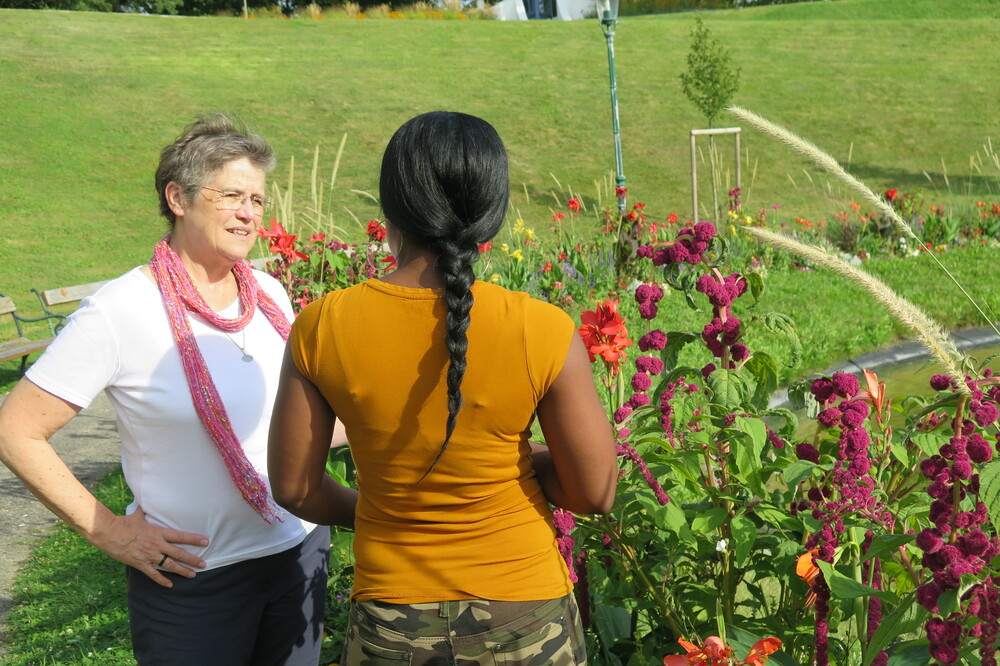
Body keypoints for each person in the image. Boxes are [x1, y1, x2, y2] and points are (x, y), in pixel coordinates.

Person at [267, 111, 617, 664]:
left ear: (390, 208)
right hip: (524, 612)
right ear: (492, 214)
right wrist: (523, 464)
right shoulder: (542, 328)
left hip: (390, 616)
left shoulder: (323, 325)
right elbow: (594, 492)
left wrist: (381, 506)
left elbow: (294, 488)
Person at [0, 113, 329, 665]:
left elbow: (290, 419)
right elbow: (15, 430)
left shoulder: (268, 294)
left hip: (298, 556)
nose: (249, 214)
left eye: (256, 200)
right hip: (195, 583)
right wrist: (110, 531)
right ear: (178, 197)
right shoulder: (120, 311)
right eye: (231, 196)